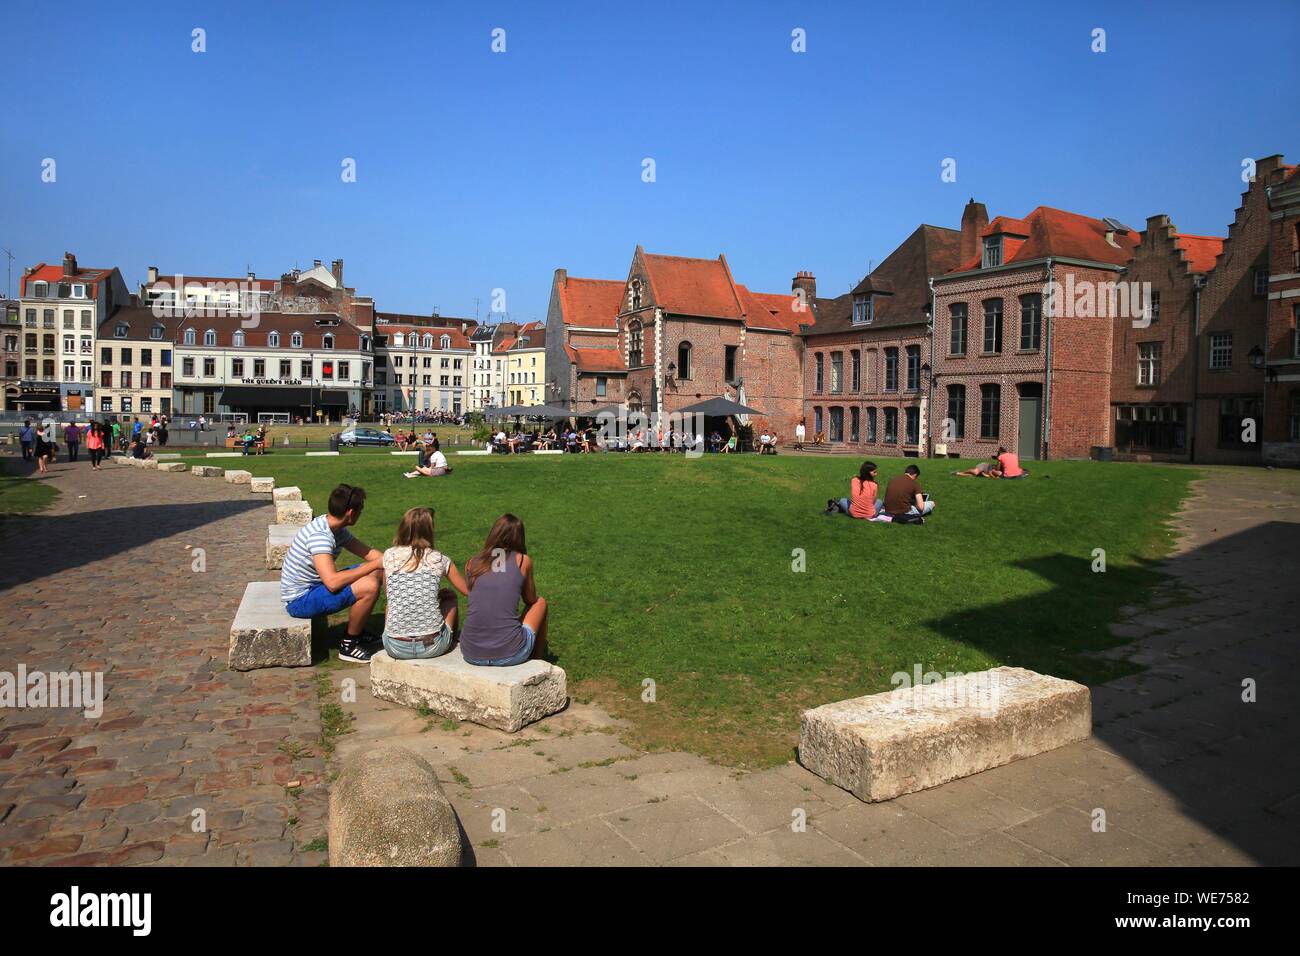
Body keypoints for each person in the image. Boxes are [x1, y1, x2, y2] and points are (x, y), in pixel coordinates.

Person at [279, 484, 386, 663]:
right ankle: (349, 645)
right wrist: (376, 563)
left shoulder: (334, 528)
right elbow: (332, 582)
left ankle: (358, 631)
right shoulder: (320, 536)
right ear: (351, 513)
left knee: (377, 572)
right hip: (300, 600)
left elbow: (369, 553)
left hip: (315, 588)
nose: (361, 513)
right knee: (370, 585)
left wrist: (399, 559)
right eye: (361, 509)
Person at [459, 514, 548, 666]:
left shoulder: (472, 563)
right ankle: (538, 662)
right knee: (540, 603)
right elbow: (530, 599)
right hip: (510, 654)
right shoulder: (522, 561)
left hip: (471, 653)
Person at [381, 507, 466, 661]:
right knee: (451, 598)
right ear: (429, 531)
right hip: (433, 646)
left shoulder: (388, 556)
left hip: (395, 646)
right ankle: (452, 638)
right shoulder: (440, 559)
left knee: (391, 604)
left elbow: (389, 593)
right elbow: (468, 591)